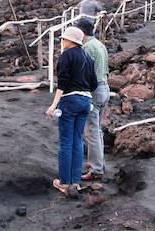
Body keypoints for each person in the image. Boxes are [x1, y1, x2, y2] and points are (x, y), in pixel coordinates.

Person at [46, 26, 97, 194]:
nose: (62, 40)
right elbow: (94, 83)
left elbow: (62, 83)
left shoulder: (67, 56)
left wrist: (54, 104)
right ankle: (76, 181)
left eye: (64, 38)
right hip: (85, 100)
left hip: (70, 100)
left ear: (70, 40)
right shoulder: (88, 57)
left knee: (66, 141)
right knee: (77, 140)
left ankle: (64, 182)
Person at [76, 19, 110, 181]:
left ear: (82, 31)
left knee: (91, 131)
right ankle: (99, 164)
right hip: (104, 88)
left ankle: (96, 169)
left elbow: (85, 73)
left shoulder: (87, 47)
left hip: (94, 91)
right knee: (97, 130)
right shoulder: (99, 44)